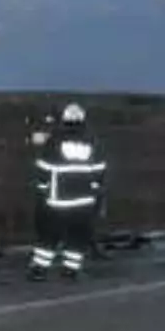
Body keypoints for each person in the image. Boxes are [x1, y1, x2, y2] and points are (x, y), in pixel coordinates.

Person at [29, 102, 106, 280]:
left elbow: (44, 167)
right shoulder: (92, 141)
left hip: (58, 199)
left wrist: (42, 190)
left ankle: (39, 269)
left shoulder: (55, 140)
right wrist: (96, 192)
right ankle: (70, 270)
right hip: (84, 201)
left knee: (49, 235)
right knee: (77, 237)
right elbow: (99, 169)